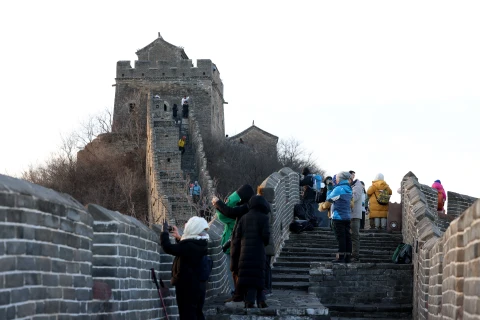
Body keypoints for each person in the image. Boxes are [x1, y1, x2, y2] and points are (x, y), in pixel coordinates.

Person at [212, 185, 255, 305]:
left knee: (233, 271)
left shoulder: (242, 210)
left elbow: (224, 214)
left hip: (234, 246)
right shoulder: (251, 208)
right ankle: (242, 295)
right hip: (242, 246)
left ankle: (236, 294)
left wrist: (218, 202)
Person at [160, 216, 209, 320]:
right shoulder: (201, 242)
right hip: (199, 285)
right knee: (197, 313)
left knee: (187, 313)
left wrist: (164, 233)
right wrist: (179, 237)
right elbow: (186, 248)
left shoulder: (189, 246)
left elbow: (168, 248)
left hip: (187, 286)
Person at [231, 195, 270, 308]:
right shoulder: (264, 218)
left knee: (248, 275)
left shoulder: (243, 218)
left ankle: (256, 299)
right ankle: (255, 300)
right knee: (257, 275)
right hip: (258, 252)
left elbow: (237, 238)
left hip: (244, 252)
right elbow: (266, 237)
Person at [320, 171, 353, 263]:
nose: (336, 180)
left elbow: (329, 199)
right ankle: (348, 257)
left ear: (340, 179)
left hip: (338, 217)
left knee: (341, 237)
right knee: (347, 237)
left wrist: (330, 189)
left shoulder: (338, 189)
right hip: (347, 216)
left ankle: (341, 257)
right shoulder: (348, 188)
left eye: (337, 178)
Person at [350, 171, 362, 262]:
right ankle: (350, 254)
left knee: (354, 236)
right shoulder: (351, 186)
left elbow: (355, 197)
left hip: (354, 215)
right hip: (348, 215)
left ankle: (355, 255)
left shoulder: (357, 186)